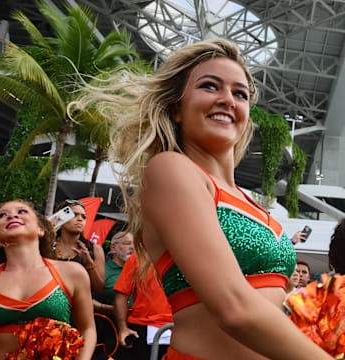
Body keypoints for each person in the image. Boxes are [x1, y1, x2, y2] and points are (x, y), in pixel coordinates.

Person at [71, 38, 332, 359]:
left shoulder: (249, 201)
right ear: (177, 108)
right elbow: (234, 307)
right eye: (210, 86)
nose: (227, 100)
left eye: (240, 94)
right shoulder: (170, 170)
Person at [0, 199, 96, 360]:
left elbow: (88, 329)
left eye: (22, 212)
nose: (12, 216)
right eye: (2, 215)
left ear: (40, 229)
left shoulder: (72, 273)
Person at [113, 252, 173, 360]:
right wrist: (123, 328)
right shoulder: (137, 258)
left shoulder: (187, 257)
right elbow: (121, 295)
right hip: (142, 328)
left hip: (182, 328)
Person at [92, 231, 135, 359]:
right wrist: (105, 308)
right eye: (127, 243)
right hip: (106, 334)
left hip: (135, 333)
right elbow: (86, 299)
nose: (132, 247)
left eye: (134, 244)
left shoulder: (140, 269)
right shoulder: (102, 270)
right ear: (113, 248)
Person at [53, 199, 105, 296]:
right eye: (74, 215)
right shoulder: (48, 244)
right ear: (61, 217)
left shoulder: (95, 249)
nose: (80, 219)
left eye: (83, 217)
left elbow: (99, 290)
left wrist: (89, 263)